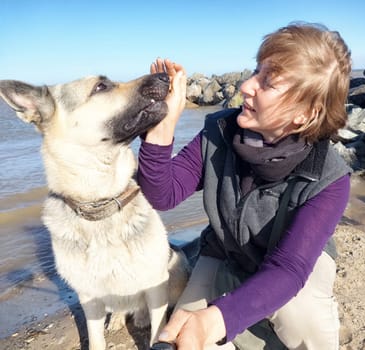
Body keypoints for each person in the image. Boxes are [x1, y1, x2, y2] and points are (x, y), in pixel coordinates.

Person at [138, 22, 352, 350]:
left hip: (295, 259)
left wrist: (214, 320)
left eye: (267, 82)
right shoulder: (218, 132)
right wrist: (163, 123)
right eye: (256, 71)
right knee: (181, 336)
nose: (246, 85)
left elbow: (288, 269)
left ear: (305, 114)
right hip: (226, 251)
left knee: (304, 319)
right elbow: (162, 194)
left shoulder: (329, 178)